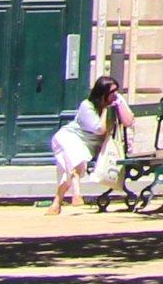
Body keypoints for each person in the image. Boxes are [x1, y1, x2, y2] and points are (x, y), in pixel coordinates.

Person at [49, 77, 128, 213]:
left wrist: (121, 104)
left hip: (88, 146)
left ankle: (57, 202)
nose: (116, 94)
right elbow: (99, 129)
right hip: (70, 137)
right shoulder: (87, 105)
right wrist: (105, 111)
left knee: (72, 166)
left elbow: (129, 121)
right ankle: (76, 192)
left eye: (117, 90)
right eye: (112, 91)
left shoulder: (117, 101)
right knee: (76, 160)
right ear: (102, 93)